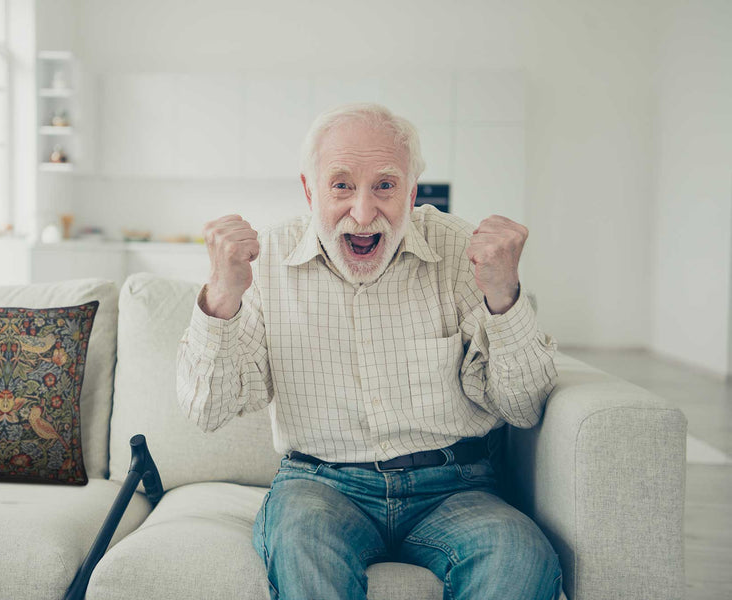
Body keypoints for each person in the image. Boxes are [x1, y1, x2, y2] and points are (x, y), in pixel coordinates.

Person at [177, 103, 562, 600]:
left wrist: (504, 296)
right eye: (341, 185)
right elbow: (206, 411)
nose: (363, 213)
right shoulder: (266, 261)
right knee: (301, 545)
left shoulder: (461, 251)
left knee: (520, 555)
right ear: (309, 189)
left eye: (385, 185)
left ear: (412, 191)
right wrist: (222, 294)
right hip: (319, 487)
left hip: (455, 485)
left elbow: (524, 406)